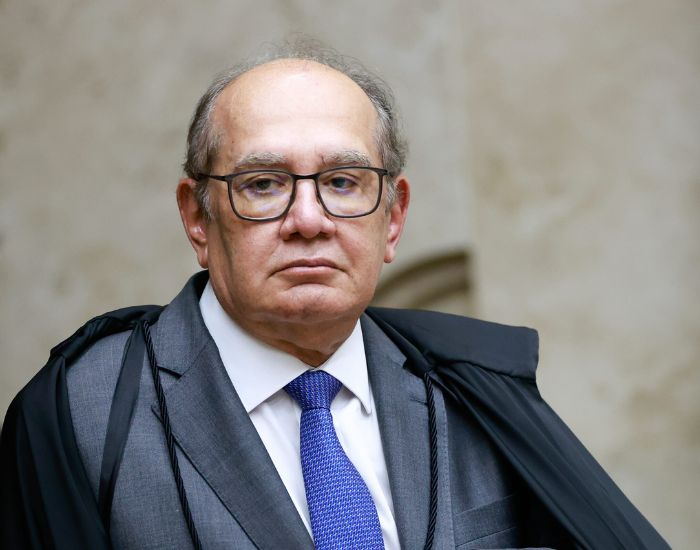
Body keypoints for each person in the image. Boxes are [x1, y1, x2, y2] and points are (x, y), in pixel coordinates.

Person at [1, 40, 668, 549]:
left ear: (393, 218)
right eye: (263, 184)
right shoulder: (82, 415)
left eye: (343, 182)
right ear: (197, 218)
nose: (308, 220)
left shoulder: (474, 395)